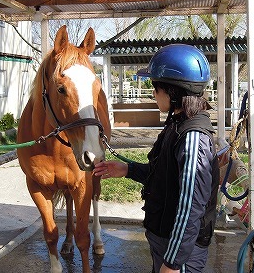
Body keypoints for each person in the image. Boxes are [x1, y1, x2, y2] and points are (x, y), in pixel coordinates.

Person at [93, 44, 220, 273]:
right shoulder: (177, 125)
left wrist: (171, 263)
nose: (153, 94)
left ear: (172, 92)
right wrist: (127, 169)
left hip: (180, 254)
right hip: (166, 242)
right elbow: (164, 177)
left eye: (155, 88)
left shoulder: (192, 138)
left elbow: (191, 208)